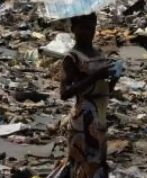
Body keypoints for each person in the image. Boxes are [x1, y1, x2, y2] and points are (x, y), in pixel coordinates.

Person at [59, 13, 120, 178]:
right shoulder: (72, 58)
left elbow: (105, 89)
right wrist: (95, 76)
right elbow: (64, 93)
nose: (87, 32)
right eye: (83, 28)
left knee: (98, 163)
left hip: (99, 118)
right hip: (82, 120)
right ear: (73, 29)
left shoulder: (99, 53)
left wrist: (113, 78)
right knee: (83, 167)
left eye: (91, 28)